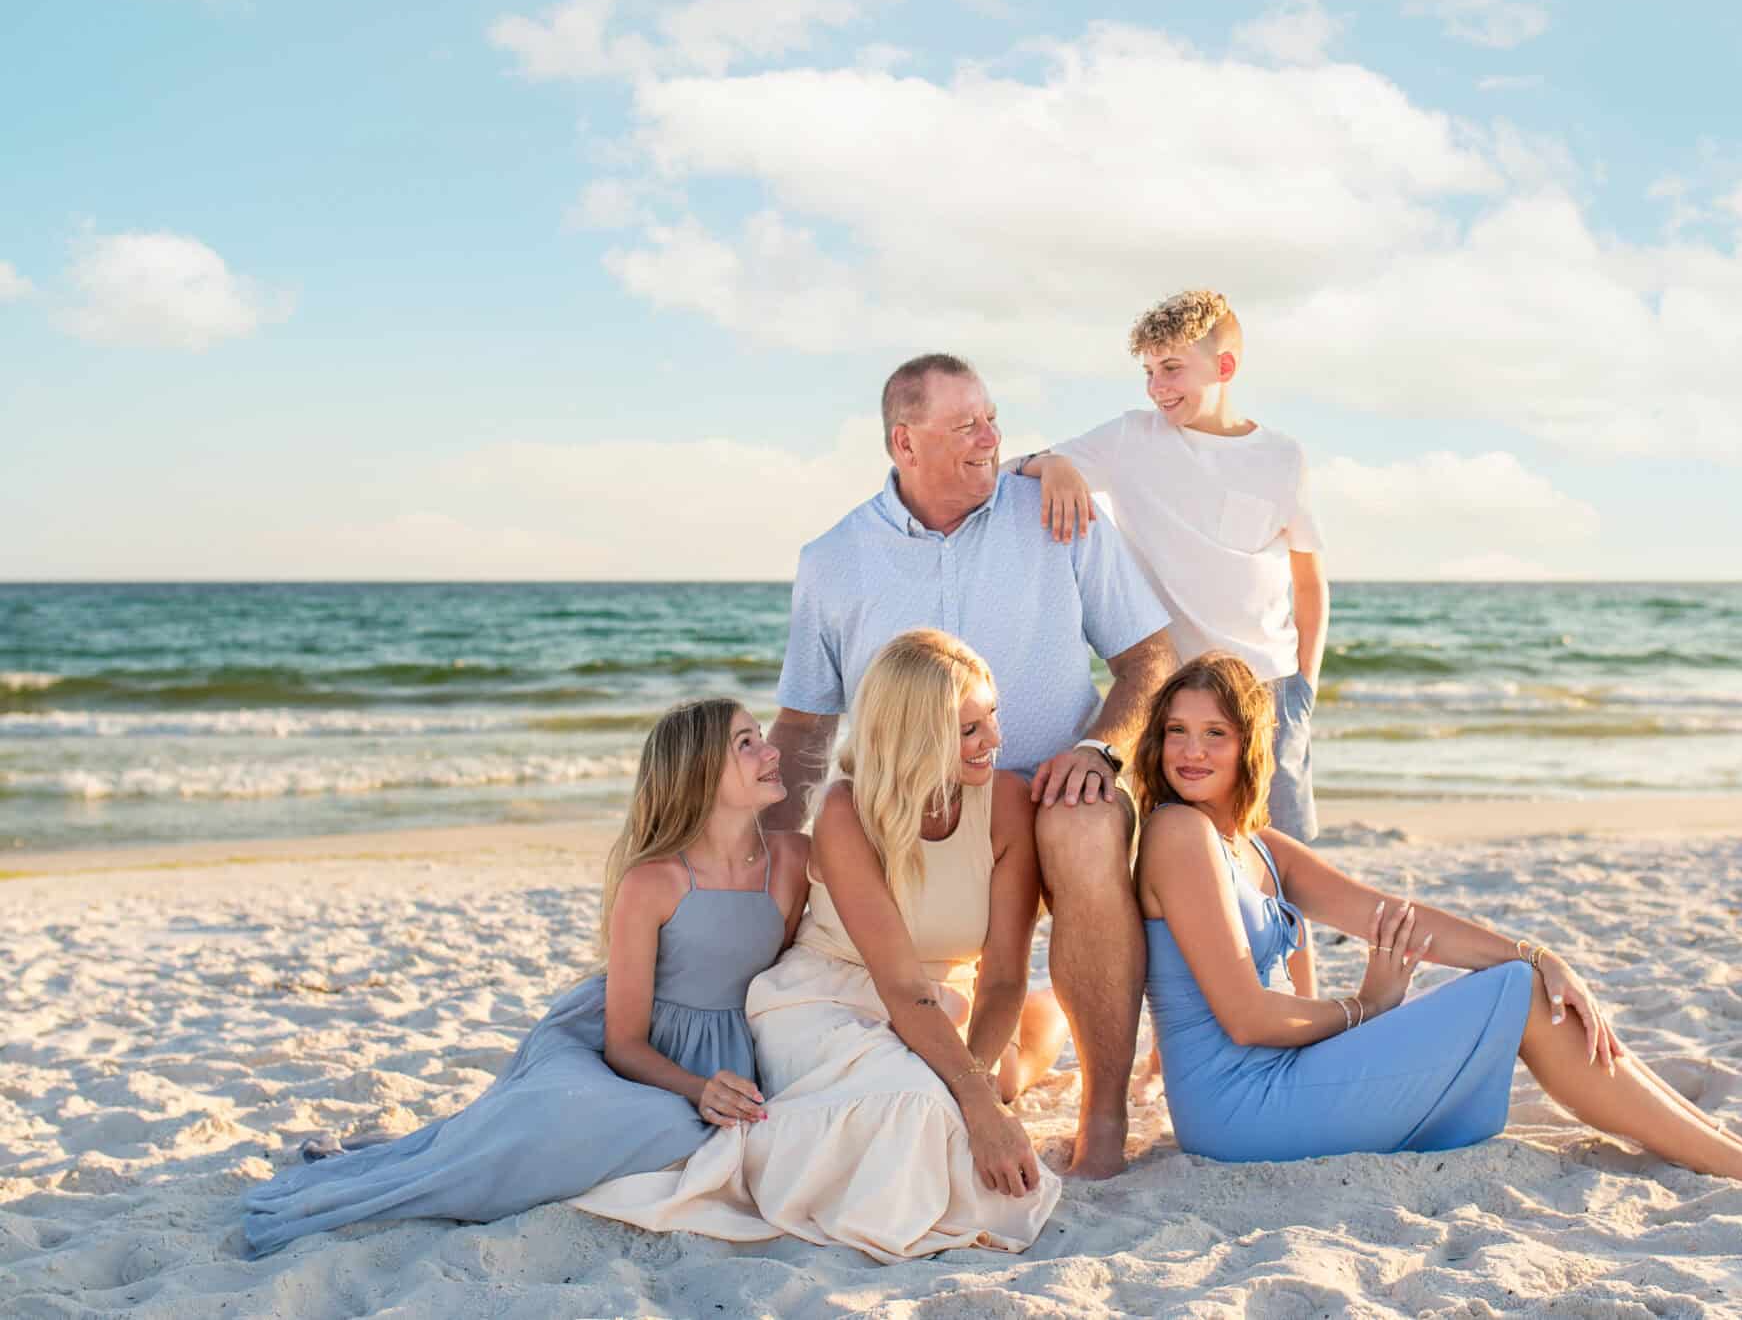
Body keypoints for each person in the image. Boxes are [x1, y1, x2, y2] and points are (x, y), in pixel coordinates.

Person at [762, 352, 1179, 1177]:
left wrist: (1099, 751)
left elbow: (1150, 658)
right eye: (965, 427)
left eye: (994, 418)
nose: (992, 438)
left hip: (1054, 795)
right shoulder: (833, 558)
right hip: (918, 822)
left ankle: (1100, 1119)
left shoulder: (1057, 511)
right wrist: (745, 847)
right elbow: (806, 726)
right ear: (904, 443)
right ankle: (1029, 1032)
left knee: (1085, 824)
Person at [1133, 652, 1742, 1180]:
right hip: (1240, 1111)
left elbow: (1397, 917)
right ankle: (1728, 1160)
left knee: (1531, 983)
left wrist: (1540, 952)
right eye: (1176, 731)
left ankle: (1714, 1142)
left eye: (1214, 731)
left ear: (1247, 742)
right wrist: (1365, 1005)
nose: (1191, 750)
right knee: (1521, 995)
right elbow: (1246, 1018)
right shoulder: (1177, 833)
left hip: (1279, 1083)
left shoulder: (1261, 847)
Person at [241, 699, 811, 1257]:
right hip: (632, 1049)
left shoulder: (792, 861)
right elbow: (625, 1044)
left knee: (701, 1138)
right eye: (747, 743)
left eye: (761, 736)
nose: (770, 751)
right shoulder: (654, 881)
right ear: (700, 772)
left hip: (733, 1051)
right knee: (621, 1121)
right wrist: (696, 1089)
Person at [574, 631, 1063, 1261]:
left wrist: (980, 1086)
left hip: (947, 1001)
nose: (994, 740)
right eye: (969, 729)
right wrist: (973, 1096)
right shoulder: (845, 811)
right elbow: (899, 986)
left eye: (992, 716)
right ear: (915, 734)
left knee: (984, 1085)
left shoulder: (1007, 805)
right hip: (829, 996)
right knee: (922, 1106)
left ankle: (1035, 1033)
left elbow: (1000, 980)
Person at [1019, 289, 1326, 1002]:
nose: (1159, 389)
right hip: (1170, 697)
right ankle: (1173, 1038)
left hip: (1269, 689)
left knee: (1285, 863)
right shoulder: (1131, 438)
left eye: (1173, 370)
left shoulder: (1283, 459)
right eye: (1149, 373)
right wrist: (1054, 463)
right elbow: (1025, 465)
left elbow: (1310, 582)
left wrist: (1304, 684)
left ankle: (1305, 1006)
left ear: (1224, 364)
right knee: (1172, 869)